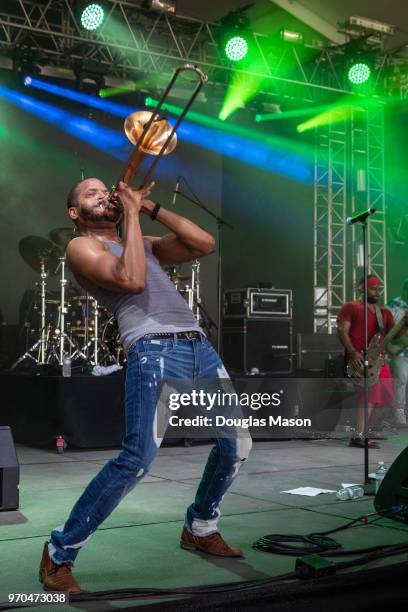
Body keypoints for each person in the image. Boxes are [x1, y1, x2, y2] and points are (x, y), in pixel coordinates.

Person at [39, 178, 252, 593]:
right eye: (90, 193)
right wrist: (133, 215)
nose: (102, 195)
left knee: (238, 444)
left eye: (106, 191)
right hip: (153, 350)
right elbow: (132, 280)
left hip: (197, 346)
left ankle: (201, 526)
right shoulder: (82, 247)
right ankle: (59, 552)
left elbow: (204, 242)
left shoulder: (146, 240)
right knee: (136, 459)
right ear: (73, 212)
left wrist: (148, 206)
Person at [337, 274, 395, 448]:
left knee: (387, 398)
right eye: (373, 288)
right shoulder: (351, 307)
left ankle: (367, 430)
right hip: (359, 360)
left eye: (379, 289)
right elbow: (342, 331)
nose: (377, 292)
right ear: (361, 288)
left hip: (379, 360)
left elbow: (394, 334)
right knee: (369, 395)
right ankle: (358, 435)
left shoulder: (384, 312)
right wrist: (353, 353)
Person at [386, 279, 408, 427]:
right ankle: (398, 414)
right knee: (401, 379)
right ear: (404, 290)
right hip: (399, 351)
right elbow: (385, 329)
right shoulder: (393, 305)